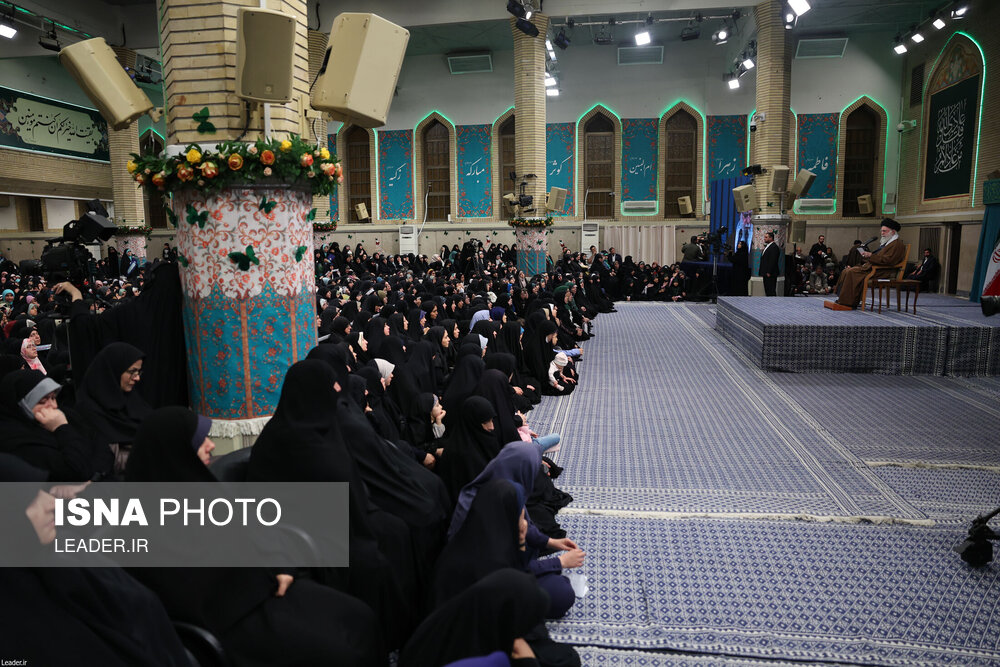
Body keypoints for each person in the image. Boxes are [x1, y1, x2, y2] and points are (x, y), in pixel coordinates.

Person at [127, 406, 384, 667]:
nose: (211, 445)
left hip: (267, 591)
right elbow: (190, 597)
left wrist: (279, 564)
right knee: (344, 652)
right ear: (175, 452)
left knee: (360, 617)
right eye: (199, 440)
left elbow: (253, 532)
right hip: (234, 624)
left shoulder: (200, 492)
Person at [0, 369, 109, 481]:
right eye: (43, 401)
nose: (54, 406)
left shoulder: (67, 415)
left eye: (53, 397)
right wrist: (61, 428)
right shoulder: (15, 439)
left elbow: (101, 445)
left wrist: (95, 477)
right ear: (22, 406)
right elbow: (73, 470)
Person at [73, 342, 152, 477]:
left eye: (139, 372)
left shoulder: (133, 401)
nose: (137, 378)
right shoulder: (87, 412)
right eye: (132, 372)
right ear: (113, 370)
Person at [835, 218, 908, 308]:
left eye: (884, 231)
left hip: (883, 271)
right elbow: (879, 257)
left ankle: (848, 302)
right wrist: (867, 257)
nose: (882, 233)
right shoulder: (888, 243)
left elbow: (889, 260)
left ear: (893, 232)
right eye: (881, 231)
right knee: (846, 270)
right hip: (874, 268)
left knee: (852, 272)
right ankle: (843, 299)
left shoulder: (897, 244)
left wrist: (870, 255)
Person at [759, 231, 780, 297]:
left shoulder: (774, 247)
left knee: (771, 289)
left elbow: (773, 260)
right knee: (767, 289)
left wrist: (769, 271)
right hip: (766, 272)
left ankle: (772, 302)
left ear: (771, 238)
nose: (764, 239)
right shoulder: (768, 246)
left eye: (766, 237)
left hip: (770, 273)